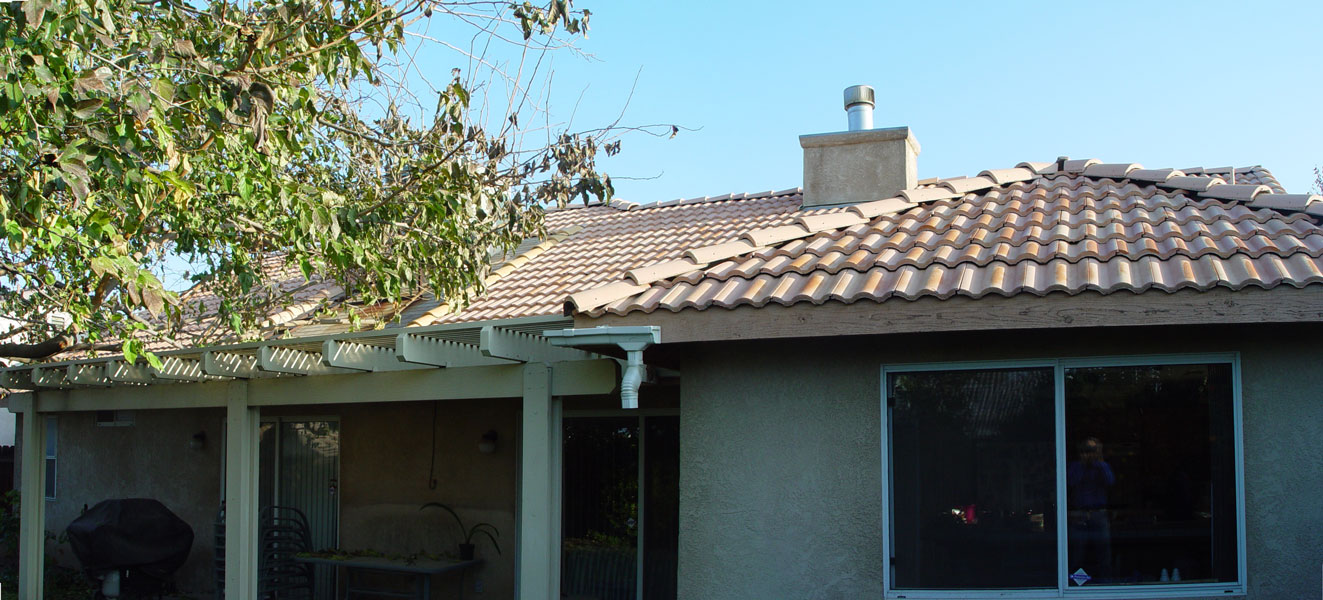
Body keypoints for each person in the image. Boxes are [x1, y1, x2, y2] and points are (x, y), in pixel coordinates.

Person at [1068, 437, 1114, 582]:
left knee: (1103, 553)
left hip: (1098, 514)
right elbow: (1070, 482)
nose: (1090, 454)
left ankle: (1106, 584)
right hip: (1080, 514)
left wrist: (1099, 462)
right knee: (1078, 554)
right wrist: (1083, 464)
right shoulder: (1076, 466)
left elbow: (1110, 481)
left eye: (1093, 450)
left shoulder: (1102, 466)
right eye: (1087, 450)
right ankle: (1077, 585)